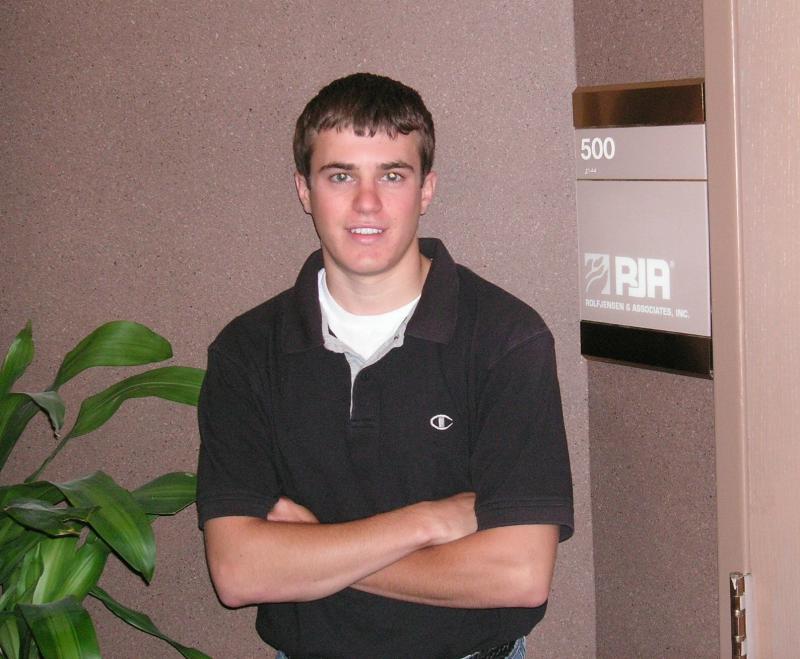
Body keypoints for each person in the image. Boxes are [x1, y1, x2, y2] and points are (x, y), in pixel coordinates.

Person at [197, 72, 574, 659]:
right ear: (304, 190)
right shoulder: (247, 352)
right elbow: (239, 572)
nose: (366, 202)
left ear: (426, 190)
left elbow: (518, 575)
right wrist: (424, 523)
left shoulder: (506, 339)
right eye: (340, 175)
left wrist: (312, 552)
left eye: (392, 175)